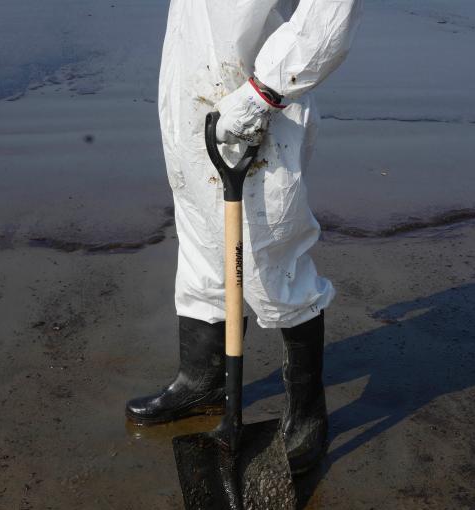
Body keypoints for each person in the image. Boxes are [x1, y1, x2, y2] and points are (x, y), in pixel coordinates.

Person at [126, 0, 363, 474]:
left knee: (268, 254)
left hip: (254, 106)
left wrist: (263, 94)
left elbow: (330, 12)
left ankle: (307, 415)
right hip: (190, 90)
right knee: (200, 243)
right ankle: (202, 380)